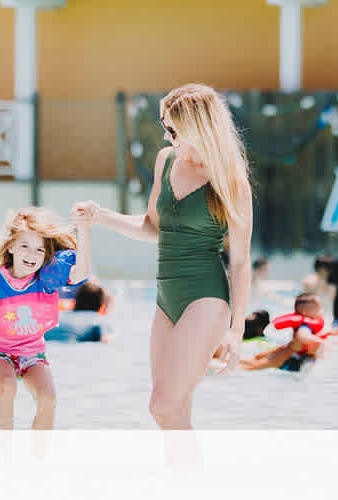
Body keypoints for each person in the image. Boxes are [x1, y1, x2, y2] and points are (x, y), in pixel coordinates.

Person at [72, 83, 253, 429]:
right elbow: (152, 226)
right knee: (173, 411)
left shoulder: (231, 180)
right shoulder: (166, 161)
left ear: (197, 127)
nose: (167, 136)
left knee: (161, 405)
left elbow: (242, 262)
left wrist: (236, 331)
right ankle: (184, 478)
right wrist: (101, 216)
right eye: (164, 127)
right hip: (165, 298)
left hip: (207, 298)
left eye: (172, 129)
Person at [0, 207, 90, 430]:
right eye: (25, 246)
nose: (31, 255)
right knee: (7, 386)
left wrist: (84, 230)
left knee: (48, 398)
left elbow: (80, 273)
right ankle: (6, 450)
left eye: (39, 250)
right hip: (0, 353)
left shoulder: (46, 281)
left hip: (34, 353)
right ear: (11, 247)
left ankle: (38, 457)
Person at [238, 293, 338, 372]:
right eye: (319, 308)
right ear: (306, 313)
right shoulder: (306, 325)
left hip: (285, 350)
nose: (322, 311)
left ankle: (227, 362)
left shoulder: (305, 323)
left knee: (252, 361)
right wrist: (323, 342)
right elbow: (302, 336)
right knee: (253, 366)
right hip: (286, 357)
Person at [45, 281, 114, 343]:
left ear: (75, 301)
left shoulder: (56, 317)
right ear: (102, 307)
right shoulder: (100, 320)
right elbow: (105, 341)